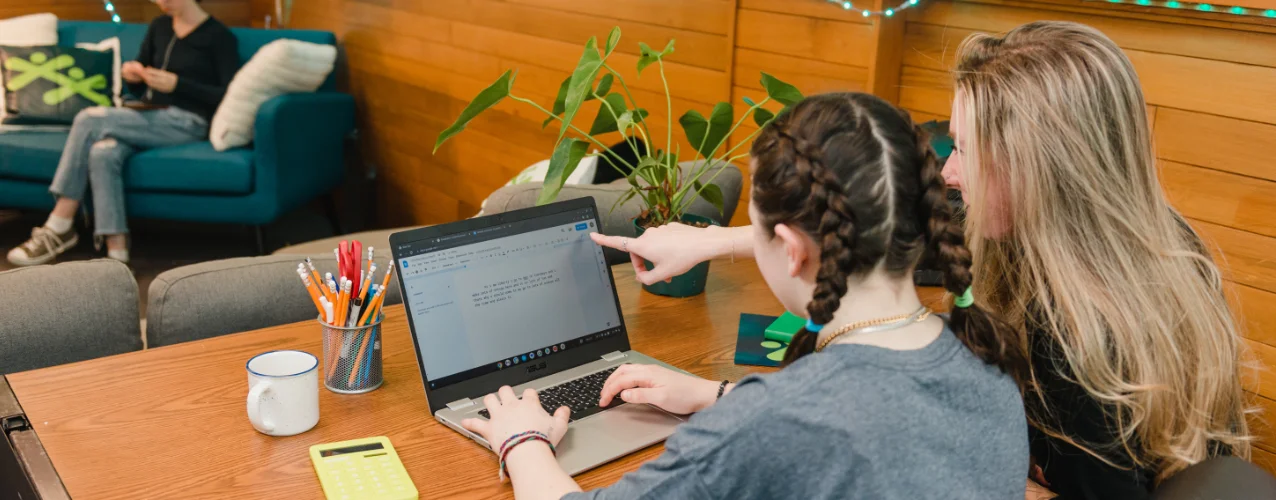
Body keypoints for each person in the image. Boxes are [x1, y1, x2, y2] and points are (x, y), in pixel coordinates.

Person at [593, 21, 1250, 500]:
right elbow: (873, 239)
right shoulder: (1138, 240)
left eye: (965, 150)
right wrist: (719, 245)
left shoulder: (1077, 337)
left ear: (1044, 170)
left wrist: (768, 422)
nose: (952, 174)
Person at [460, 92, 1031, 499]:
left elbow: (802, 428)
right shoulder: (989, 366)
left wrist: (524, 441)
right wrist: (720, 395)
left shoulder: (775, 422)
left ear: (790, 248)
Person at [6, 0, 238, 266]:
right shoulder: (160, 27)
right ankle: (117, 255)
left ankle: (59, 224)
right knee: (103, 152)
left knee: (88, 118)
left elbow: (227, 96)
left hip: (188, 122)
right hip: (148, 116)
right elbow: (140, 90)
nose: (160, 2)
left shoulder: (219, 36)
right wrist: (133, 77)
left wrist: (179, 84)